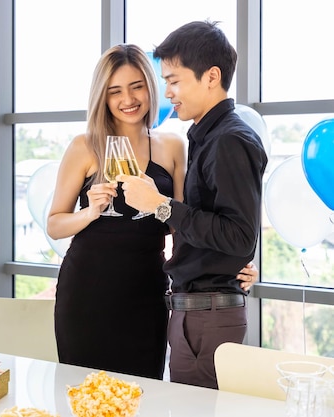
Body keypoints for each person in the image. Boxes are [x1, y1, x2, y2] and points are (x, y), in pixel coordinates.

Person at [45, 43, 257, 380]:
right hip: (87, 291)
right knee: (84, 394)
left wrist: (232, 264)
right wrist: (90, 212)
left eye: (136, 86)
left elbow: (185, 221)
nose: (127, 99)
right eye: (115, 91)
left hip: (147, 292)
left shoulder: (172, 145)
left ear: (150, 86)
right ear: (102, 96)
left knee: (144, 395)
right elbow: (55, 224)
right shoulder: (84, 146)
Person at [118, 21, 268, 389]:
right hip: (197, 314)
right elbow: (223, 230)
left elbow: (239, 237)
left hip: (208, 317)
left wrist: (160, 204)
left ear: (211, 76)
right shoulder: (207, 136)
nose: (167, 91)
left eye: (174, 80)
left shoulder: (230, 139)